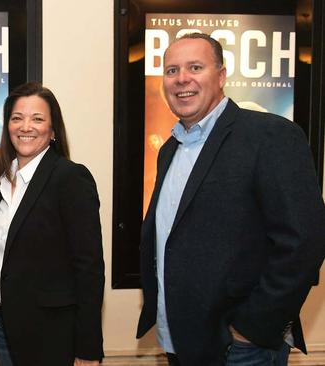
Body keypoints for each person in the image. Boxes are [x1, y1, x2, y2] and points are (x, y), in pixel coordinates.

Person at [136, 33, 325, 365]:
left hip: (240, 346)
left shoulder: (270, 136)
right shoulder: (170, 150)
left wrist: (251, 328)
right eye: (171, 70)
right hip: (179, 339)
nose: (182, 78)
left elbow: (304, 242)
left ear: (221, 76)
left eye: (195, 67)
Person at [0, 82, 105, 366]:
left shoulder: (70, 179)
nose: (26, 126)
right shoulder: (0, 182)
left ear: (52, 130)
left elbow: (89, 269)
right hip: (3, 326)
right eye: (17, 118)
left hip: (51, 333)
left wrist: (88, 349)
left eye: (37, 119)